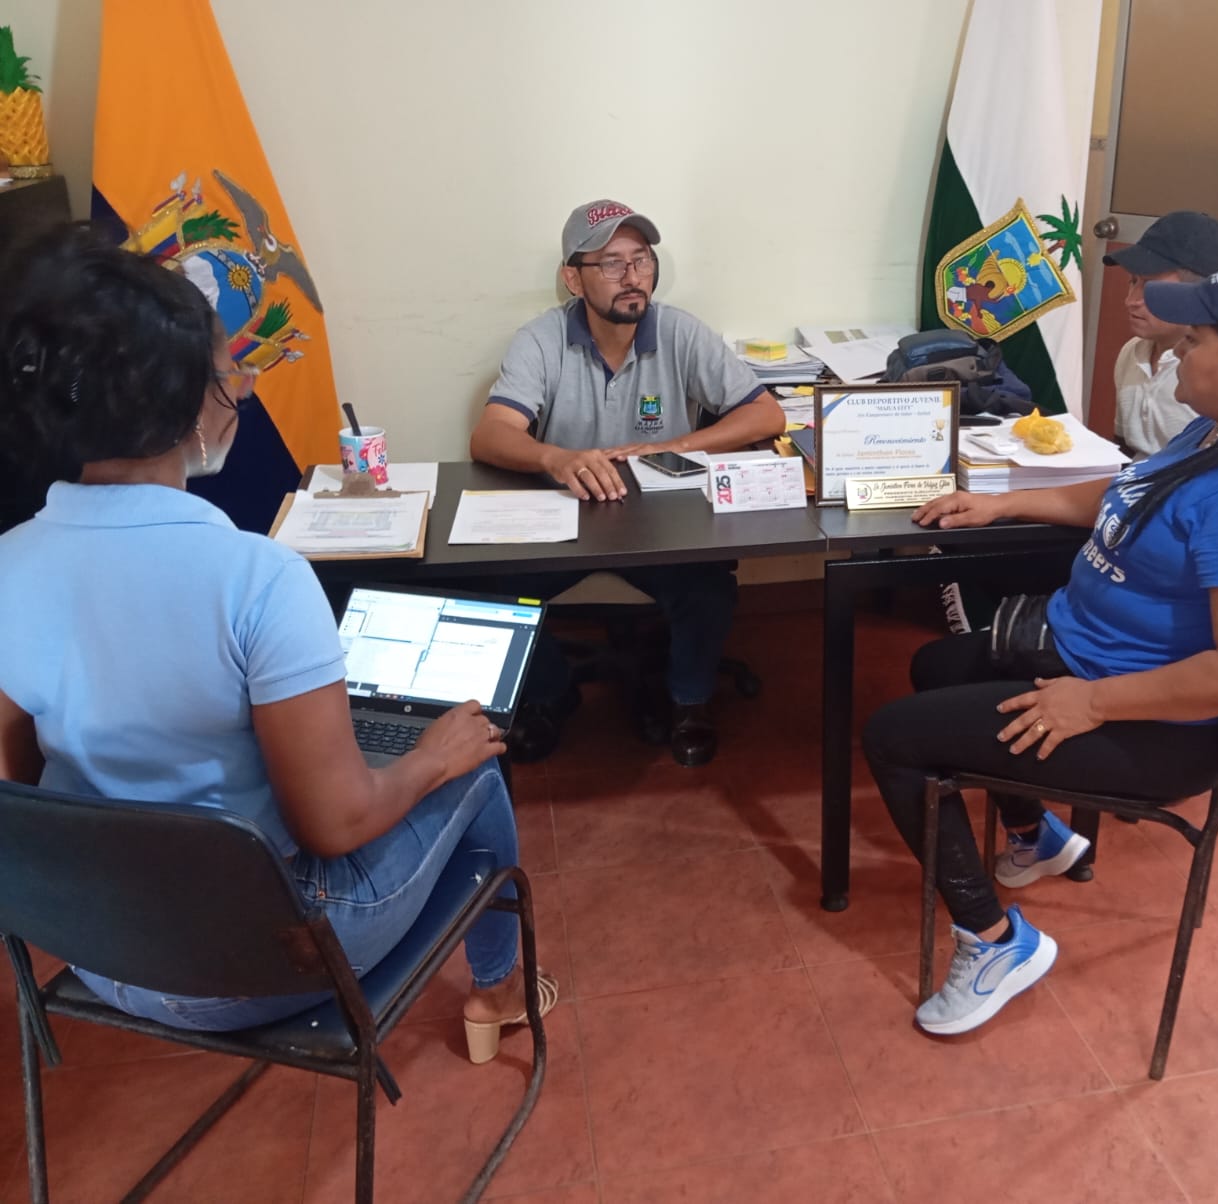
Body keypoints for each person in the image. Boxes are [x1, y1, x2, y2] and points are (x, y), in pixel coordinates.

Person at [0, 224, 545, 1062]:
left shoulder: (9, 563)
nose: (244, 389)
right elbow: (334, 824)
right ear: (180, 401)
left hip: (98, 951)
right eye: (229, 373)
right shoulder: (258, 578)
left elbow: (20, 783)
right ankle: (498, 990)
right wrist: (432, 756)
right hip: (262, 964)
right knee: (472, 751)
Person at [863, 259, 1218, 1036]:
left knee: (893, 739)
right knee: (935, 667)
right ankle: (1034, 838)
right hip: (1091, 654)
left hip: (1155, 726)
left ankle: (995, 943)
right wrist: (1003, 505)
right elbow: (1127, 494)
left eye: (1193, 339)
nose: (1175, 348)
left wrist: (1091, 703)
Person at [470, 199, 786, 767]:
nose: (632, 276)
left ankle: (689, 701)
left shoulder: (679, 331)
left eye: (641, 260)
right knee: (489, 584)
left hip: (665, 520)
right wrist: (556, 458)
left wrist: (672, 446)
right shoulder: (541, 339)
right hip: (569, 516)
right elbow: (490, 435)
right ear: (573, 278)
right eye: (611, 263)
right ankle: (549, 693)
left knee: (708, 586)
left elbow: (766, 415)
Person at [1105, 210, 1218, 456]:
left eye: (1151, 287)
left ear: (1198, 292)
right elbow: (1125, 449)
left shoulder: (1216, 374)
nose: (1131, 301)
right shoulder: (1132, 352)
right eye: (1133, 282)